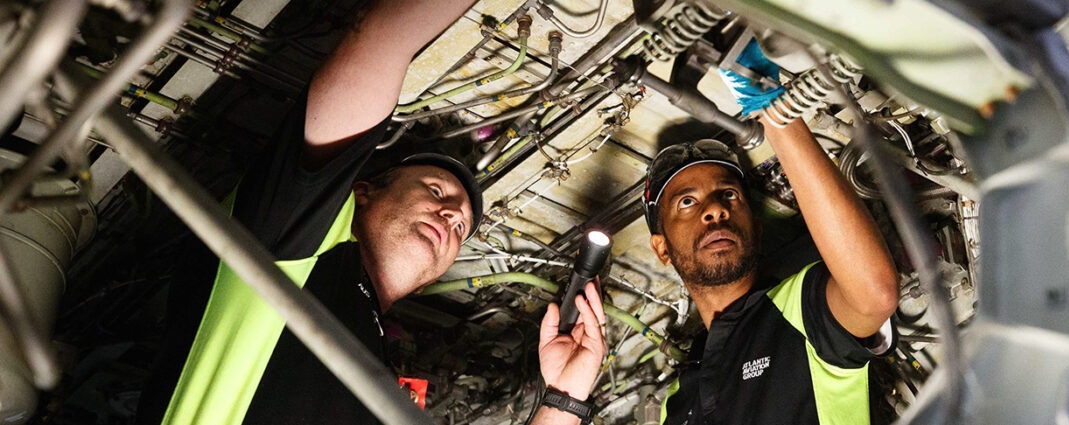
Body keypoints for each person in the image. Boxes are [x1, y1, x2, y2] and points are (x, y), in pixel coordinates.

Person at [135, 1, 606, 424]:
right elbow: (382, 37)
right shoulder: (295, 232)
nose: (450, 216)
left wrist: (564, 398)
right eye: (437, 190)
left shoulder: (377, 375)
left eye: (461, 227)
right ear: (362, 192)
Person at [646, 40, 899, 425]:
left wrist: (771, 108)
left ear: (757, 230)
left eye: (728, 194)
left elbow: (873, 296)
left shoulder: (796, 308)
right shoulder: (678, 401)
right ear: (661, 249)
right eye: (687, 202)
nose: (715, 209)